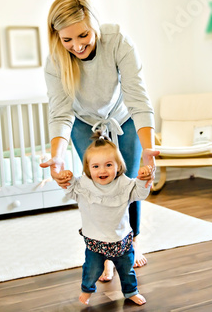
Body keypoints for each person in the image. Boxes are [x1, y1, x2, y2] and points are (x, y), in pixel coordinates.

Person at [40, 0, 159, 281]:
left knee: (127, 183)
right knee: (97, 183)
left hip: (124, 118)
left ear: (94, 24)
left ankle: (129, 243)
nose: (77, 46)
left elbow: (138, 99)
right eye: (67, 40)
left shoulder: (117, 41)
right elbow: (61, 113)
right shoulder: (55, 61)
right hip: (83, 122)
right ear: (57, 37)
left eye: (83, 35)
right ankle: (105, 253)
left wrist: (148, 148)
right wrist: (56, 157)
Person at [56, 131, 152, 305]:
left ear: (118, 166)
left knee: (127, 270)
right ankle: (87, 291)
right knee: (91, 271)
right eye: (96, 166)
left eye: (108, 164)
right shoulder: (84, 185)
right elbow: (70, 191)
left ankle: (131, 292)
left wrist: (144, 179)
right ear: (88, 168)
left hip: (122, 241)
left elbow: (140, 193)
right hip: (95, 242)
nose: (102, 170)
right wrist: (66, 179)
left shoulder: (124, 184)